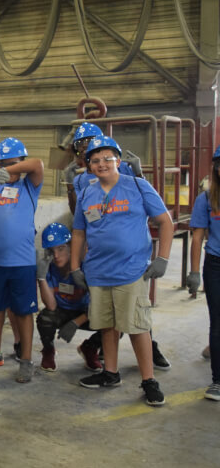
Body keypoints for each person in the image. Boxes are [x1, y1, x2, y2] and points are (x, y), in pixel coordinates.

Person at [71, 136, 173, 406]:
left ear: (118, 160)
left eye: (107, 158)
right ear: (89, 165)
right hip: (98, 272)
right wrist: (74, 266)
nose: (102, 164)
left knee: (138, 327)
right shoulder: (86, 193)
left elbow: (165, 221)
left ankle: (149, 380)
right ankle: (110, 372)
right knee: (107, 325)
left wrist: (162, 257)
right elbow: (79, 232)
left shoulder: (138, 186)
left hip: (131, 270)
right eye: (95, 160)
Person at [0, 137, 44, 383]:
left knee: (23, 312)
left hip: (22, 263)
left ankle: (26, 360)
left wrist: (9, 171)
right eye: (3, 164)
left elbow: (38, 164)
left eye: (13, 164)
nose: (7, 169)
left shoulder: (29, 187)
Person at [35, 222, 102, 372]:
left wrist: (76, 323)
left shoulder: (85, 268)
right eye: (52, 251)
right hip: (62, 310)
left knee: (115, 322)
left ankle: (89, 348)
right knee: (45, 318)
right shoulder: (50, 269)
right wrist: (41, 278)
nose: (57, 255)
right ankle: (48, 350)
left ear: (70, 247)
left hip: (87, 312)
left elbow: (99, 303)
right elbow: (51, 306)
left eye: (61, 248)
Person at [187, 144, 220, 401]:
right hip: (216, 264)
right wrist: (194, 272)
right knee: (217, 322)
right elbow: (197, 238)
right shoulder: (207, 199)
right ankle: (218, 380)